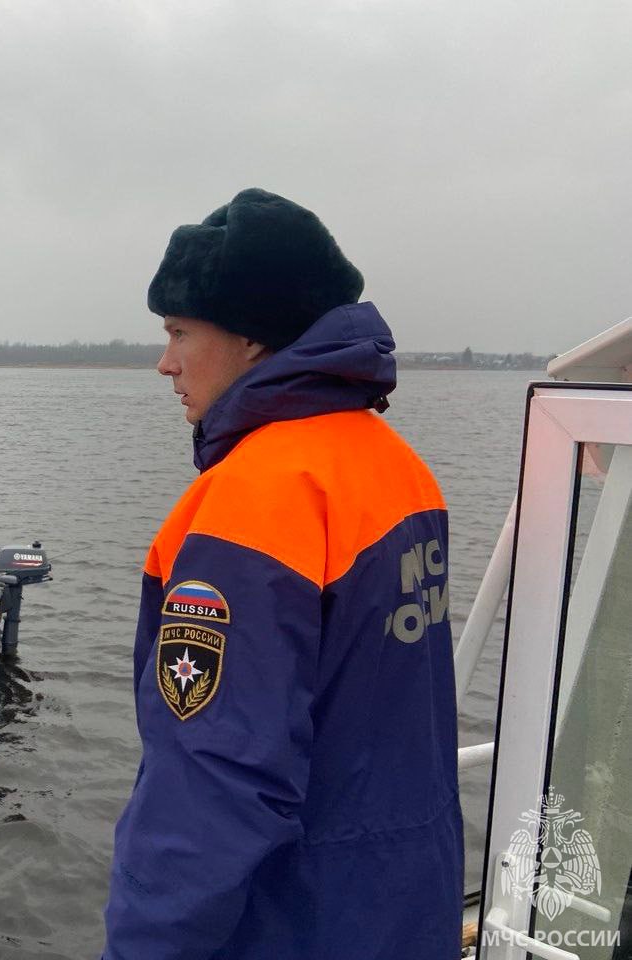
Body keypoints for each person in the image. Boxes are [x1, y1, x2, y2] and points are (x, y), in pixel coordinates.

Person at [102, 189, 461, 959]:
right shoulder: (395, 467)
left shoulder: (256, 498)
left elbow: (212, 780)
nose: (163, 363)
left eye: (178, 332)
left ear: (253, 341)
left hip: (294, 923)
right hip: (401, 905)